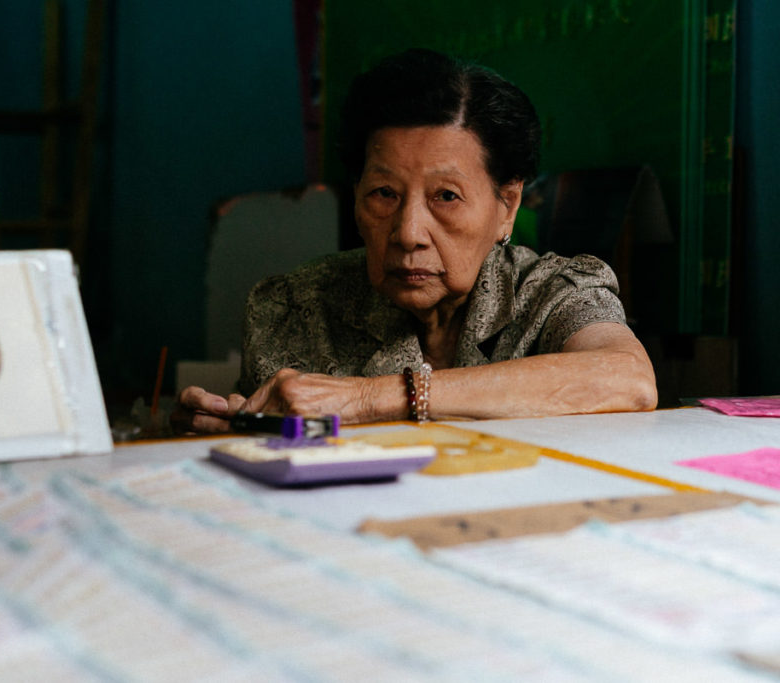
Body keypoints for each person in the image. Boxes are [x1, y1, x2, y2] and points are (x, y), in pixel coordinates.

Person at [171, 48, 656, 434]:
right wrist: (228, 426)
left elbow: (627, 379)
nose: (408, 233)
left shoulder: (550, 294)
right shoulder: (293, 308)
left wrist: (369, 399)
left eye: (446, 196)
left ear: (506, 206)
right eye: (384, 194)